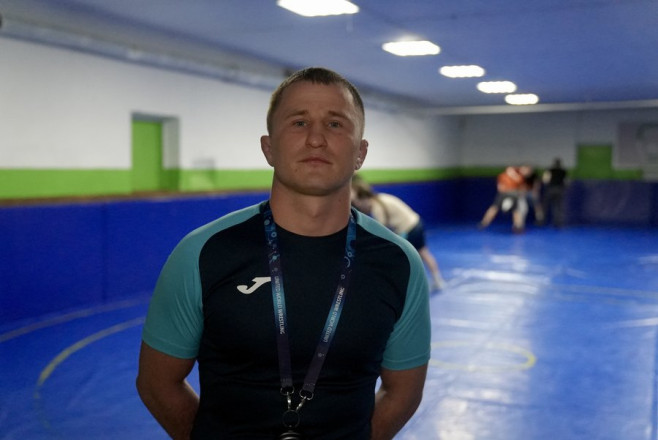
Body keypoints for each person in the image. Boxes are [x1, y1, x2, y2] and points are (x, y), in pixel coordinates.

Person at [136, 67, 431, 440]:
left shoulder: (399, 263)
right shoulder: (202, 253)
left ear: (360, 153)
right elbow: (157, 383)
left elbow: (403, 393)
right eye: (298, 122)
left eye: (336, 124)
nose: (316, 139)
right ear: (269, 148)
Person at [350, 174, 446, 291]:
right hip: (416, 222)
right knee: (423, 252)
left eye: (357, 203)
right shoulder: (381, 198)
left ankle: (406, 285)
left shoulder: (377, 208)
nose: (359, 207)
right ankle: (437, 280)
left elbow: (381, 232)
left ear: (364, 199)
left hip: (409, 228)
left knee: (401, 258)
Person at [478, 165, 532, 233]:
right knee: (495, 208)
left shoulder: (520, 177)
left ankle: (518, 227)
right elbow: (500, 183)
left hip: (513, 194)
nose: (527, 172)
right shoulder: (509, 173)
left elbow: (520, 185)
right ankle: (484, 223)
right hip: (504, 193)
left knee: (515, 210)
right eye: (527, 170)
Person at [542, 158, 568, 227]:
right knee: (558, 206)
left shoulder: (550, 170)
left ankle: (542, 221)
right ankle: (558, 223)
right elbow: (566, 181)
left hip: (551, 189)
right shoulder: (563, 171)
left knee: (545, 206)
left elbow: (545, 180)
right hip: (560, 189)